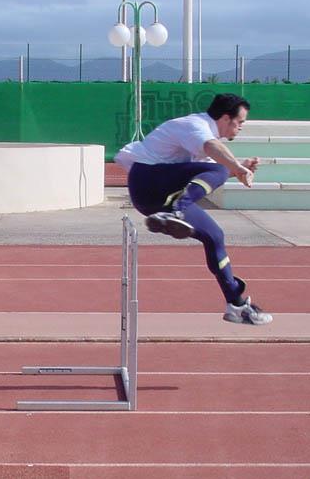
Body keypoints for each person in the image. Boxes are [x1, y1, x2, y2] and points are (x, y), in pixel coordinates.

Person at [115, 93, 272, 326]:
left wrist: (238, 167)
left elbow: (211, 171)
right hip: (147, 180)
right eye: (240, 122)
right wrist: (236, 167)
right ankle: (177, 211)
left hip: (162, 198)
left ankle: (236, 305)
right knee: (220, 169)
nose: (241, 128)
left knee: (215, 235)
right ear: (225, 118)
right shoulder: (195, 125)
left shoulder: (207, 143)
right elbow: (212, 149)